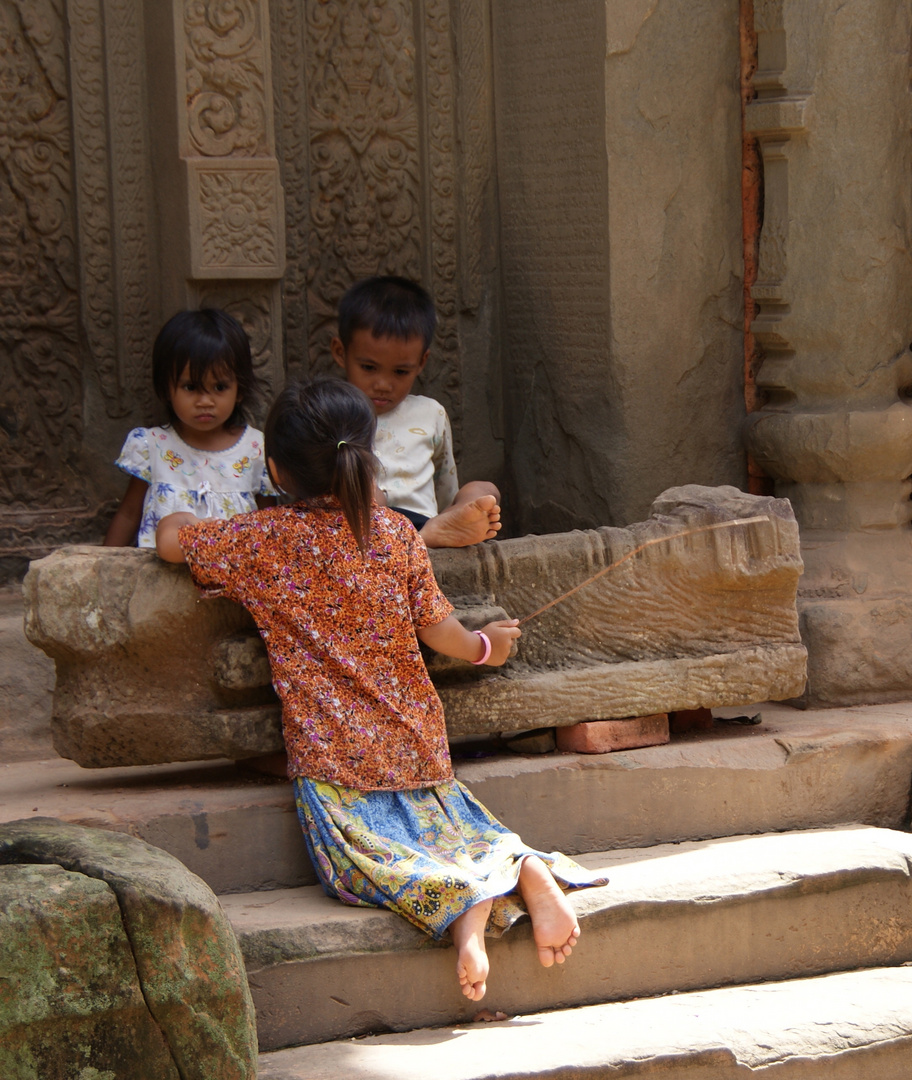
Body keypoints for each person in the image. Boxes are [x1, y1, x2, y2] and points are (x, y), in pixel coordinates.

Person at [155, 377, 607, 1002]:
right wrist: (487, 647)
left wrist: (180, 513)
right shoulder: (395, 534)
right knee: (456, 835)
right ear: (368, 456)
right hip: (417, 748)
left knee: (357, 865)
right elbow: (443, 632)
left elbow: (171, 541)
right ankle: (518, 870)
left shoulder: (259, 541)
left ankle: (462, 909)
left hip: (333, 760)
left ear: (276, 468)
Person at [331, 275, 501, 548]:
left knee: (485, 490)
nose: (383, 384)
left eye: (400, 371)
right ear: (341, 353)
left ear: (421, 362)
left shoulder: (430, 413)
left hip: (426, 521)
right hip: (365, 528)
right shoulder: (328, 412)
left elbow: (446, 483)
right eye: (369, 368)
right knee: (367, 491)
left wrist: (456, 511)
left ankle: (437, 532)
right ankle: (420, 541)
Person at [103, 308, 276, 547]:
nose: (205, 401)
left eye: (219, 387)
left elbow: (269, 524)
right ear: (166, 388)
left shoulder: (256, 450)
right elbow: (129, 514)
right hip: (158, 580)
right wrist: (104, 570)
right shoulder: (151, 447)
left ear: (240, 389)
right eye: (191, 387)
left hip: (232, 580)